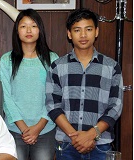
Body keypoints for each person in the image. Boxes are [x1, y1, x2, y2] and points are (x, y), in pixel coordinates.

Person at [45, 8, 123, 160]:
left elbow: (116, 106)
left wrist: (91, 135)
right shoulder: (57, 66)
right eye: (77, 30)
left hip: (101, 145)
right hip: (67, 144)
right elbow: (52, 105)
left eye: (88, 29)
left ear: (96, 32)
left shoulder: (111, 66)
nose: (83, 35)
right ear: (69, 34)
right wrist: (75, 137)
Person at [0, 9, 58, 160]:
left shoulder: (52, 59)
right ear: (17, 31)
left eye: (33, 25)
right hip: (15, 129)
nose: (29, 30)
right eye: (23, 26)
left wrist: (38, 127)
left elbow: (55, 96)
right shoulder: (7, 60)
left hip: (45, 128)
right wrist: (24, 129)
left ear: (40, 30)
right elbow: (6, 97)